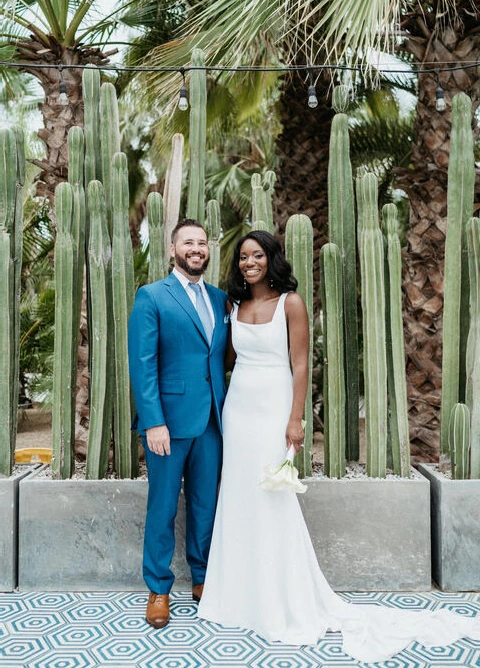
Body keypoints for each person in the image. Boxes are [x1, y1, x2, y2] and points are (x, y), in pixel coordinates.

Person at [197, 229, 480, 664]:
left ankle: (280, 598)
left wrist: (295, 418)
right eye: (242, 257)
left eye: (257, 255)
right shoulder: (235, 305)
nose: (248, 263)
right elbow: (228, 358)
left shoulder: (289, 303)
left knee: (273, 498)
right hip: (239, 410)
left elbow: (300, 362)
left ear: (272, 259)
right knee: (237, 496)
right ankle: (238, 595)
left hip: (274, 407)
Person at [128, 218, 229, 629]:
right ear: (173, 249)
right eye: (188, 242)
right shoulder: (152, 296)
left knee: (206, 504)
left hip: (211, 422)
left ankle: (203, 578)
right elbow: (143, 363)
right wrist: (153, 421)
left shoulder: (221, 299)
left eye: (202, 243)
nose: (196, 249)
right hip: (167, 424)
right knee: (164, 506)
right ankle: (158, 588)